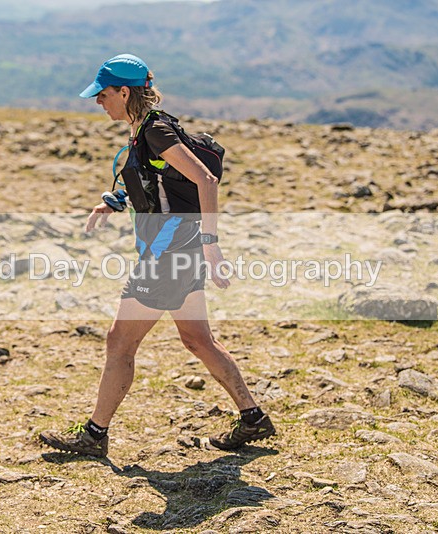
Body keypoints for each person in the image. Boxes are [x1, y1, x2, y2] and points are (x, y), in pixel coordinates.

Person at [39, 54, 276, 458]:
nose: (98, 102)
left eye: (103, 94)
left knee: (119, 341)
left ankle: (94, 437)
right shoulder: (145, 130)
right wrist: (114, 202)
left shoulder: (156, 131)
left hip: (168, 254)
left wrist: (212, 242)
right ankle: (253, 419)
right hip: (176, 250)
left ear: (124, 92)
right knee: (198, 340)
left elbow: (205, 178)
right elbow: (155, 184)